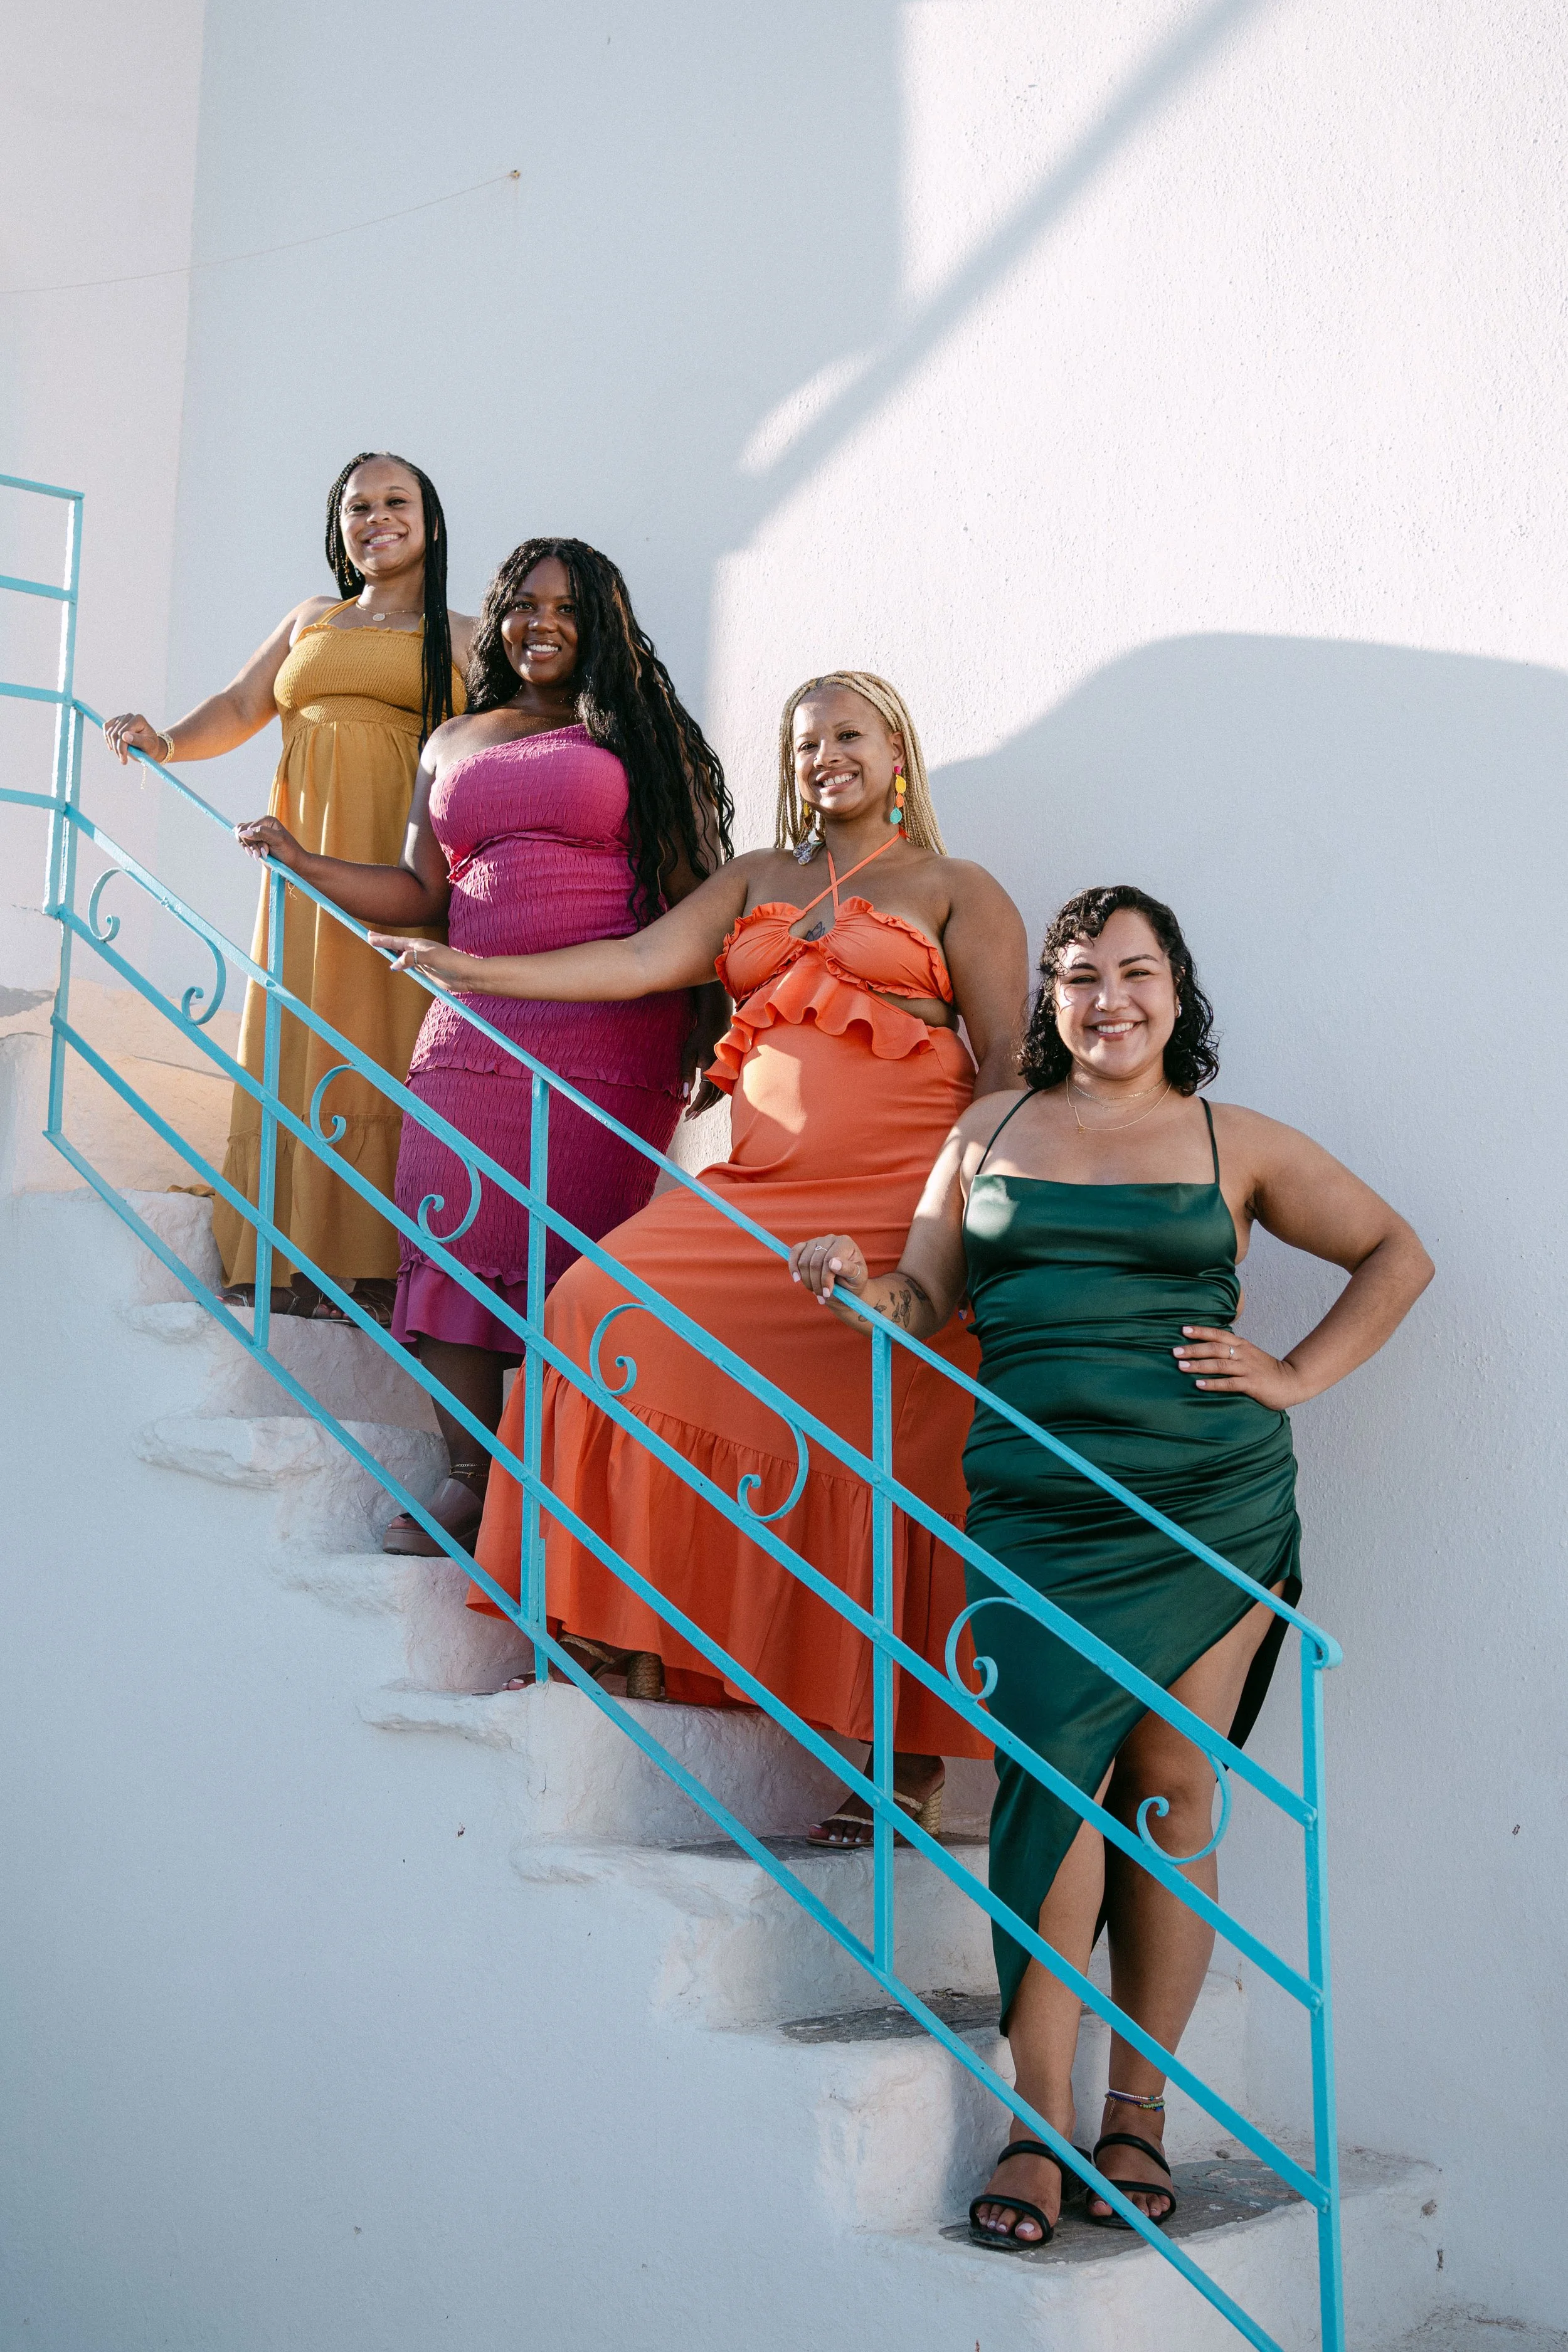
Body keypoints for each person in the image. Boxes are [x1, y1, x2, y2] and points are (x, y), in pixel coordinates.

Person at [789, 882, 1433, 2246]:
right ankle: (1035, 2125)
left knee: (1170, 1782)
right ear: (1052, 1000)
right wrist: (861, 1282)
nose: (1106, 999)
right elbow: (921, 1298)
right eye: (1079, 976)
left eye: (1134, 973)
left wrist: (1294, 1374)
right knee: (1042, 1790)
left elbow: (1394, 1252)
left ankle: (1133, 2116)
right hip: (1033, 1512)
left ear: (1175, 992)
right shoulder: (986, 1133)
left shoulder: (1230, 1140)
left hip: (1210, 1505)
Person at [372, 672, 1030, 1823]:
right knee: (593, 1312)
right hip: (759, 1188)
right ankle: (618, 1623)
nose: (828, 755)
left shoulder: (957, 888)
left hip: (895, 1200)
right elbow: (633, 964)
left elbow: (1011, 1064)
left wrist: (970, 1222)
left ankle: (902, 1754)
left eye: (849, 735)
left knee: (885, 1438)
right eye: (807, 740)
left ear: (899, 750)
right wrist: (476, 969)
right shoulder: (756, 881)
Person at [241, 538, 733, 1557]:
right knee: (443, 1215)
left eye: (565, 608)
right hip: (472, 1017)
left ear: (601, 624)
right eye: (522, 605)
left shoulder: (635, 735)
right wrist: (305, 859)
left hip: (609, 1028)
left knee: (569, 1250)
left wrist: (707, 1025)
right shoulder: (453, 737)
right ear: (498, 619)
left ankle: (558, 1489)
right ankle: (471, 1478)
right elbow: (423, 894)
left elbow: (692, 889)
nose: (539, 624)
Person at [104, 451, 474, 1323]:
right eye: (357, 506)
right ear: (337, 525)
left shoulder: (462, 635)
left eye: (396, 502)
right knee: (297, 1031)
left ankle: (378, 1264)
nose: (375, 518)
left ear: (430, 521)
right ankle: (285, 1257)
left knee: (386, 1036)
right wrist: (163, 740)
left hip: (399, 859)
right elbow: (240, 705)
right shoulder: (312, 618)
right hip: (302, 861)